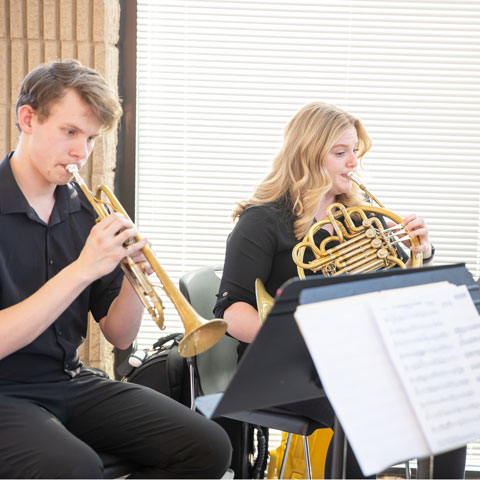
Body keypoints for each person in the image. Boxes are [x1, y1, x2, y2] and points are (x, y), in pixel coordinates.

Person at [0, 59, 231, 479]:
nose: (81, 153)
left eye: (90, 138)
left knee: (209, 447)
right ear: (28, 119)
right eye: (70, 132)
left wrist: (131, 276)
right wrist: (84, 269)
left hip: (68, 380)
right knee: (75, 467)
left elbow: (119, 334)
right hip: (4, 390)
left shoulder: (85, 208)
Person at [213, 101, 465, 479]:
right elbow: (232, 312)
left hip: (357, 361)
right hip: (283, 369)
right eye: (341, 153)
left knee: (447, 405)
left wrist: (421, 251)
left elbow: (404, 283)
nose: (353, 163)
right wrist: (299, 335)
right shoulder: (262, 221)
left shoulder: (360, 217)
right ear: (308, 155)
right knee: (364, 412)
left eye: (355, 153)